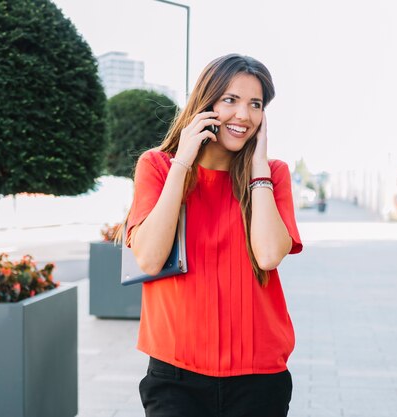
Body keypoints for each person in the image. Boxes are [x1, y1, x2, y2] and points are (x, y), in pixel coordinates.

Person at [124, 53, 302, 417]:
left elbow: (269, 255)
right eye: (230, 100)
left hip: (260, 376)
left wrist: (258, 169)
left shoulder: (273, 175)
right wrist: (182, 164)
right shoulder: (156, 166)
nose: (243, 115)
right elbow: (150, 258)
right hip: (175, 377)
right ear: (206, 104)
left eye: (255, 104)